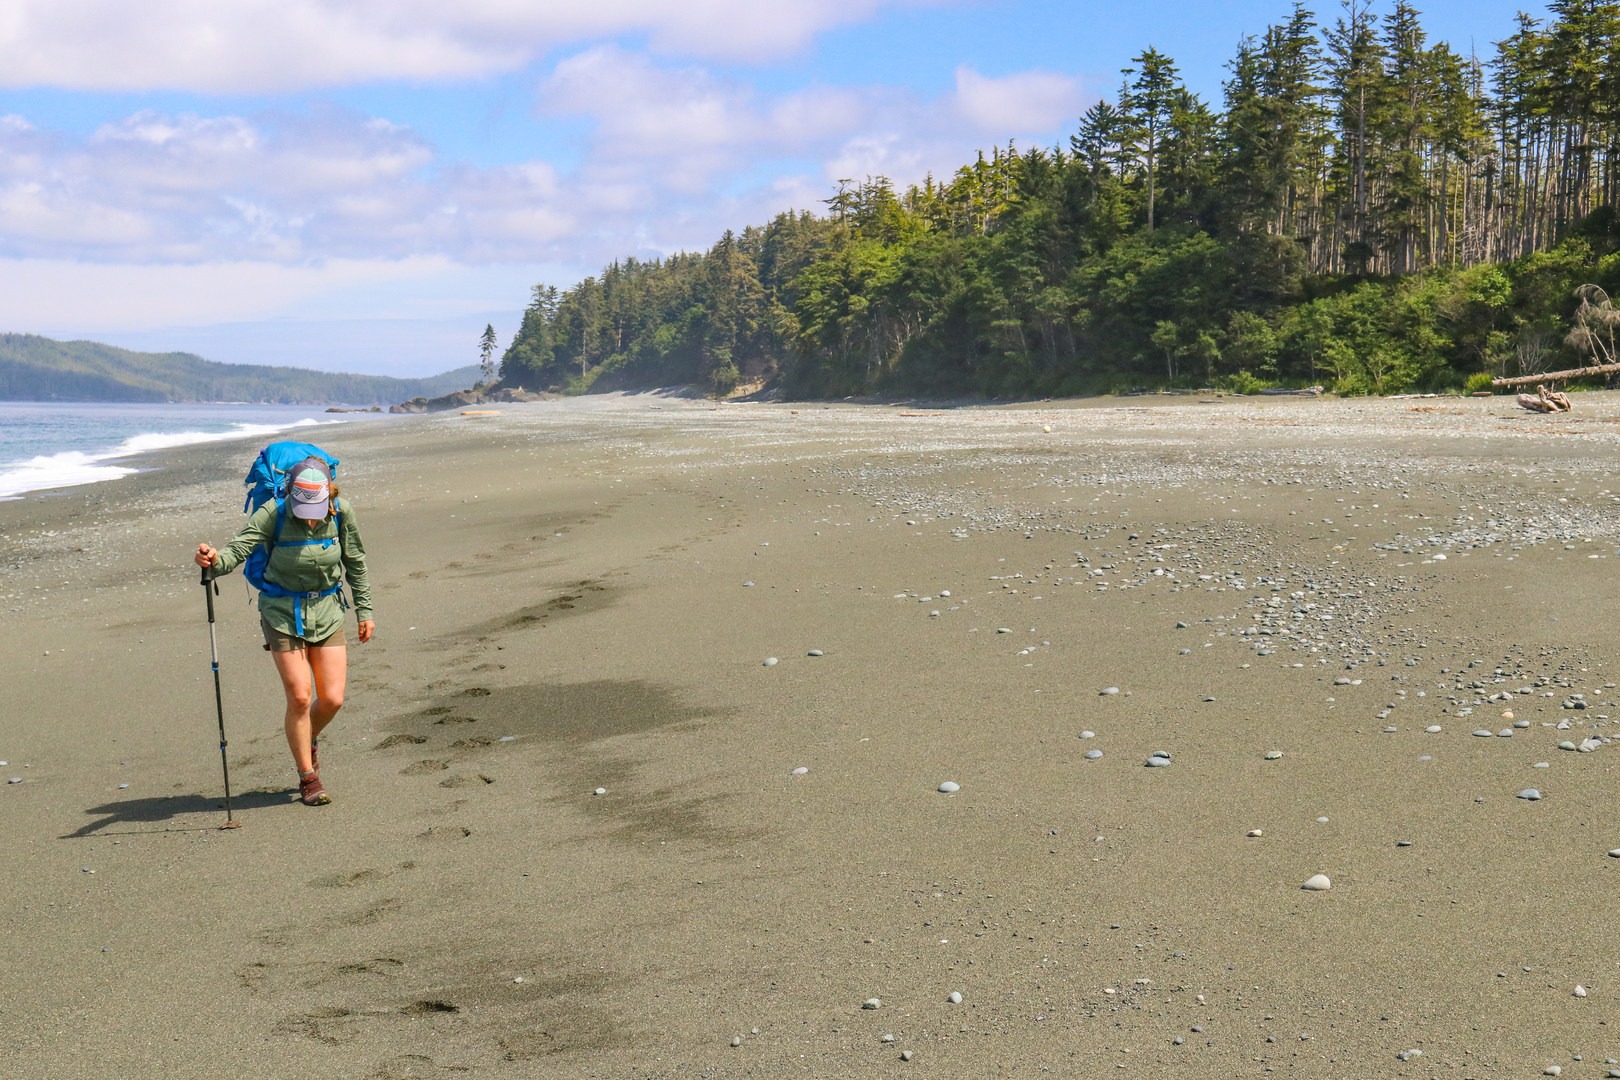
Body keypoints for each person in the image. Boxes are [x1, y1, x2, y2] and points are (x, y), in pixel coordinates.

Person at [193, 458, 374, 806]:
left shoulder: (341, 512)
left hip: (328, 610)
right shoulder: (271, 513)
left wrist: (364, 611)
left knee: (333, 699)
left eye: (316, 507)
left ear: (329, 495)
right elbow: (236, 552)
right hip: (281, 612)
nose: (310, 515)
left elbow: (355, 561)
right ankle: (308, 777)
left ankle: (306, 738)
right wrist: (213, 561)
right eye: (303, 506)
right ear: (291, 494)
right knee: (301, 697)